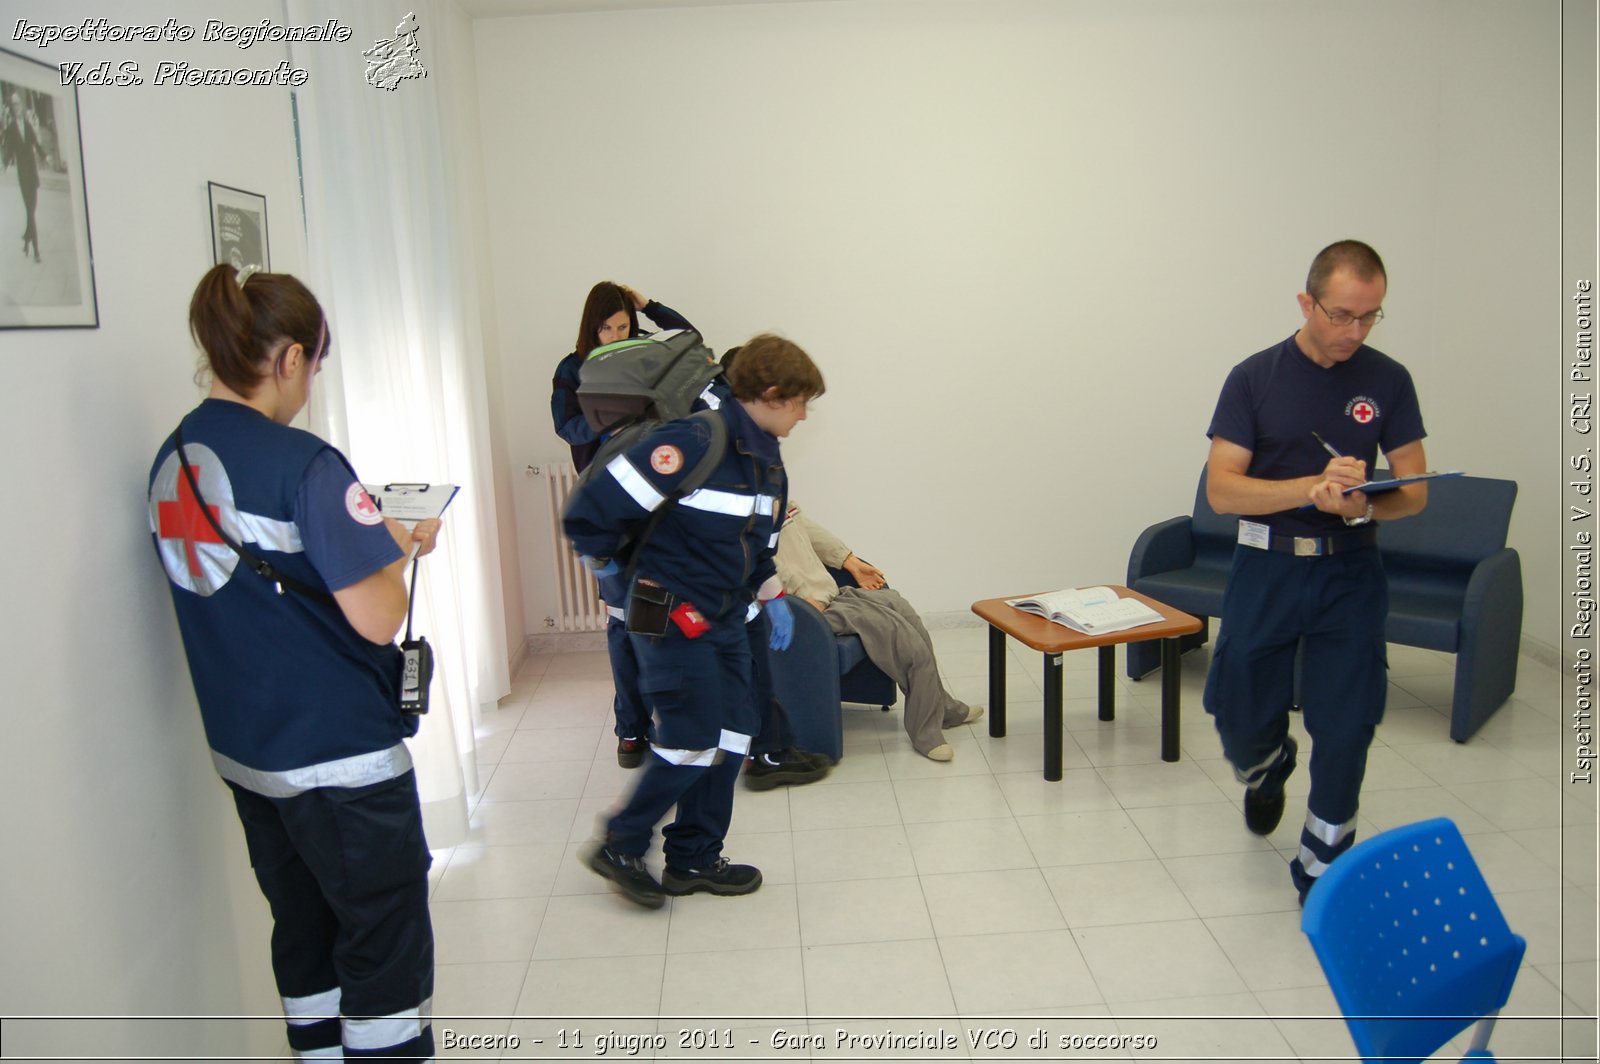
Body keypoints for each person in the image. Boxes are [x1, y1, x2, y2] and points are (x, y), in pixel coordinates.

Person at [148, 264, 441, 1060]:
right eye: (313, 365)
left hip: (248, 753)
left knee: (304, 932)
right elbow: (378, 621)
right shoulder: (307, 465)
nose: (311, 383)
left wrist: (364, 544)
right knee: (383, 946)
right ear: (287, 360)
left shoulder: (174, 458)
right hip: (340, 761)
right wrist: (402, 548)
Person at [1202, 239, 1429, 904]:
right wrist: (1310, 489)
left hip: (1350, 574)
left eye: (1369, 317)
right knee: (1239, 710)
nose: (1353, 333)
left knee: (1348, 722)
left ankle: (1323, 865)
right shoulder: (1255, 378)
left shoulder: (1389, 380)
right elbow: (1223, 491)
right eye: (1341, 315)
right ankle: (1267, 766)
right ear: (1307, 302)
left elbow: (1415, 488)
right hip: (1265, 569)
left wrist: (1367, 500)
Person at [563, 333, 823, 907]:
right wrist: (621, 568)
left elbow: (754, 542)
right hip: (672, 614)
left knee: (732, 735)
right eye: (801, 402)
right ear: (773, 394)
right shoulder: (694, 439)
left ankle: (693, 858)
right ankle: (621, 842)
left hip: (727, 615)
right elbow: (590, 510)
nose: (806, 415)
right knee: (690, 738)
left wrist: (768, 592)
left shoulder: (765, 459)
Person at [551, 281, 692, 767]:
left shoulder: (646, 356)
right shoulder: (573, 369)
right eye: (607, 328)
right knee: (621, 624)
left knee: (653, 619)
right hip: (605, 510)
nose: (616, 336)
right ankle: (631, 731)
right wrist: (612, 409)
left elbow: (689, 339)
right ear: (591, 328)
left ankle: (664, 722)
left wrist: (649, 305)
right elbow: (568, 428)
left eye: (624, 326)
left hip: (655, 507)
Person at [774, 500, 984, 761]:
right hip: (808, 611)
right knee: (905, 641)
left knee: (904, 612)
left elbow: (808, 529)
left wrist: (849, 561)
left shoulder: (774, 491)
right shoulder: (744, 510)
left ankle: (943, 707)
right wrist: (798, 598)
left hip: (831, 595)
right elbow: (762, 565)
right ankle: (926, 734)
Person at [0, 92, 43, 263]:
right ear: (12, 107)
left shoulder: (27, 124)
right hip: (23, 175)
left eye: (19, 103)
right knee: (30, 212)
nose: (17, 107)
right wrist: (3, 165)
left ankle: (26, 238)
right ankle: (36, 251)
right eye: (14, 104)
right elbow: (9, 151)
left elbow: (36, 144)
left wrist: (45, 155)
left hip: (33, 173)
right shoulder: (10, 128)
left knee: (32, 210)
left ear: (21, 106)